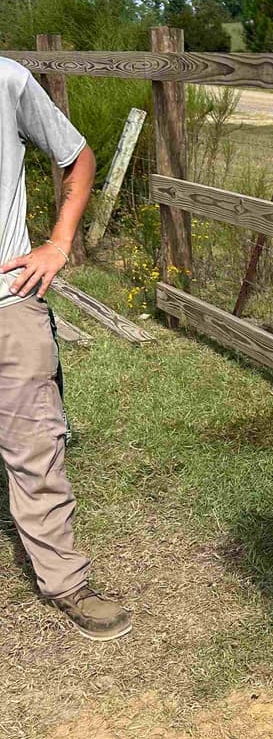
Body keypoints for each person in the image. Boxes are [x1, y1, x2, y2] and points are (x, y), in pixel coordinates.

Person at [0, 58, 131, 641]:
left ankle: (66, 584)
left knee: (37, 450)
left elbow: (77, 156)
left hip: (8, 305)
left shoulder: (7, 80)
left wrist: (58, 242)